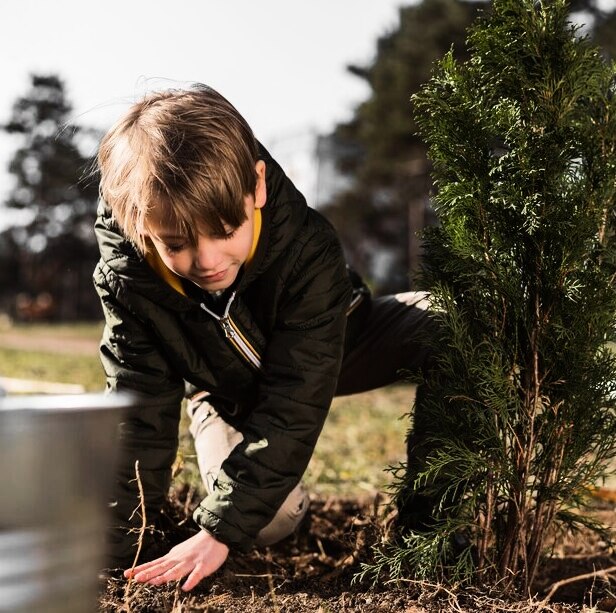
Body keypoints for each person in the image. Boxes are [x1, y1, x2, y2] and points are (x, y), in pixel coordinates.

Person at [93, 83, 434, 591]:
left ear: (257, 188)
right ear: (136, 223)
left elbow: (297, 398)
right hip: (228, 388)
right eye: (178, 243)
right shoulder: (129, 278)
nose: (207, 261)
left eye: (225, 228)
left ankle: (433, 533)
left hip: (343, 341)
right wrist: (115, 548)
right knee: (268, 518)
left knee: (457, 325)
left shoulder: (306, 248)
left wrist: (220, 529)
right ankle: (230, 446)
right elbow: (138, 411)